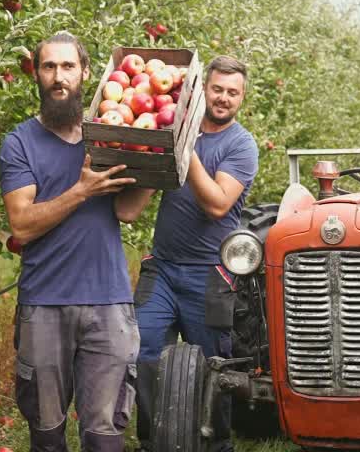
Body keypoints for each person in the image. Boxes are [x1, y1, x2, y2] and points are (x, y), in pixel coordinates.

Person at [0, 31, 156, 452]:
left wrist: (160, 158)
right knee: (47, 436)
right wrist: (81, 191)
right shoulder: (20, 143)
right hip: (44, 305)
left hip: (109, 303)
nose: (58, 76)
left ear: (85, 72)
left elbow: (126, 211)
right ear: (36, 74)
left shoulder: (109, 132)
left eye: (68, 66)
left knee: (105, 436)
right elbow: (22, 225)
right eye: (49, 66)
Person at [133, 55, 259, 452]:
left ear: (242, 98)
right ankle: (156, 440)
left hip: (211, 273)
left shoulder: (241, 145)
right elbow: (141, 193)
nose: (223, 98)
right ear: (203, 89)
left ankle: (216, 443)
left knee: (212, 367)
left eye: (232, 92)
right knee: (142, 351)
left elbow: (218, 204)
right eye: (217, 89)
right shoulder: (171, 127)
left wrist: (185, 147)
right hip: (163, 268)